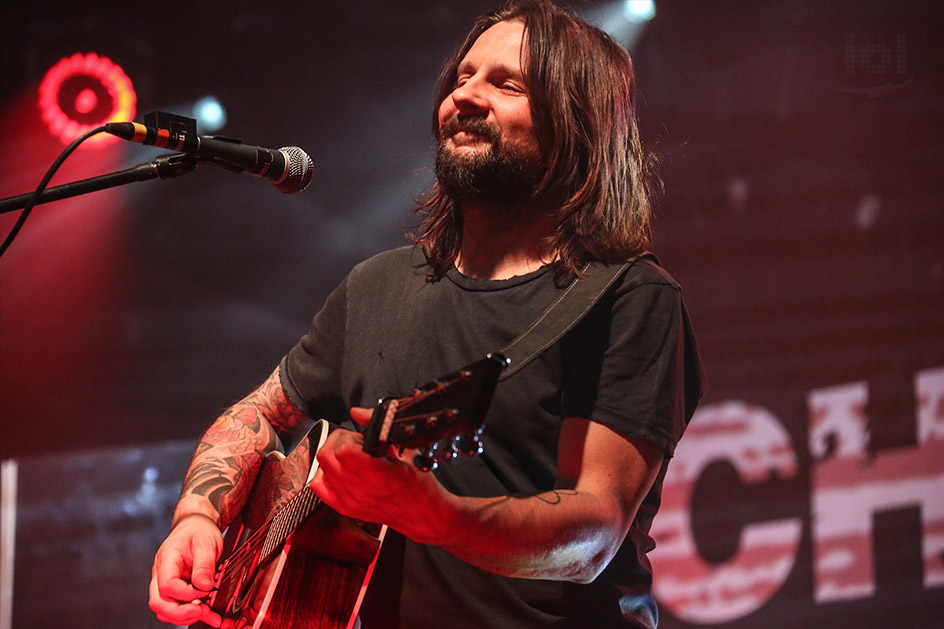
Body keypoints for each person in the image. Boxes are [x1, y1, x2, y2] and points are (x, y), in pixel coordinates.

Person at [148, 1, 705, 627]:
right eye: (462, 77)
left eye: (506, 82)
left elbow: (594, 537)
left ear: (575, 122)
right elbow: (259, 415)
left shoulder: (629, 297)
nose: (464, 96)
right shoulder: (377, 286)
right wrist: (198, 516)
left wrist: (435, 515)